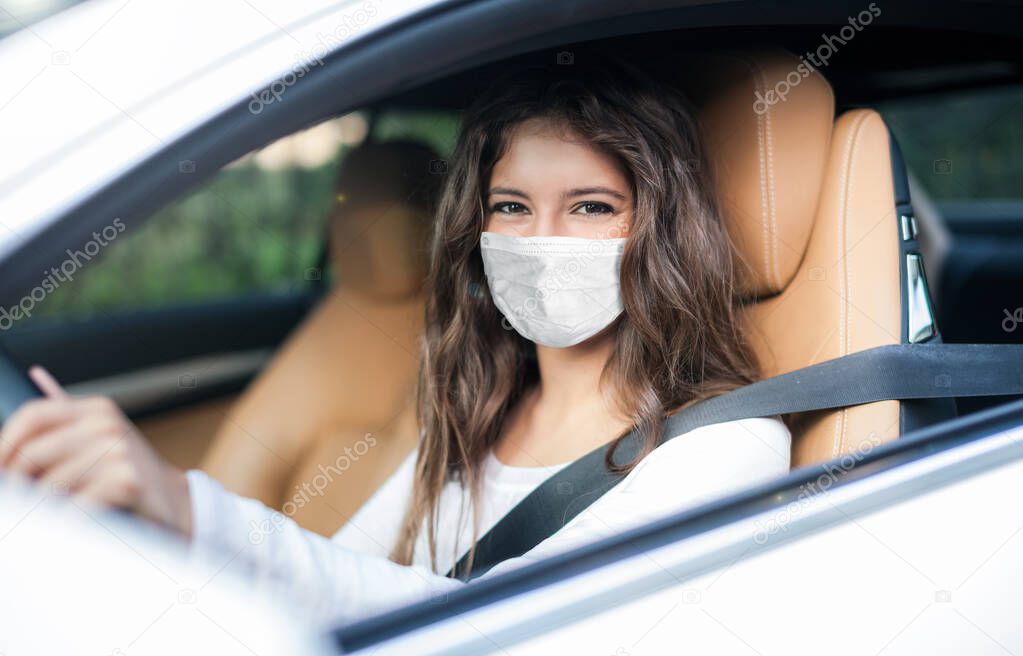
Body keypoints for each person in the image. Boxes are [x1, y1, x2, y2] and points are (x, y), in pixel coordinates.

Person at [0, 58, 791, 625]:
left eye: (589, 207)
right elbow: (336, 573)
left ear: (659, 232)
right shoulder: (476, 405)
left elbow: (490, 628)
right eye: (511, 206)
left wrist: (185, 505)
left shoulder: (725, 447)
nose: (540, 238)